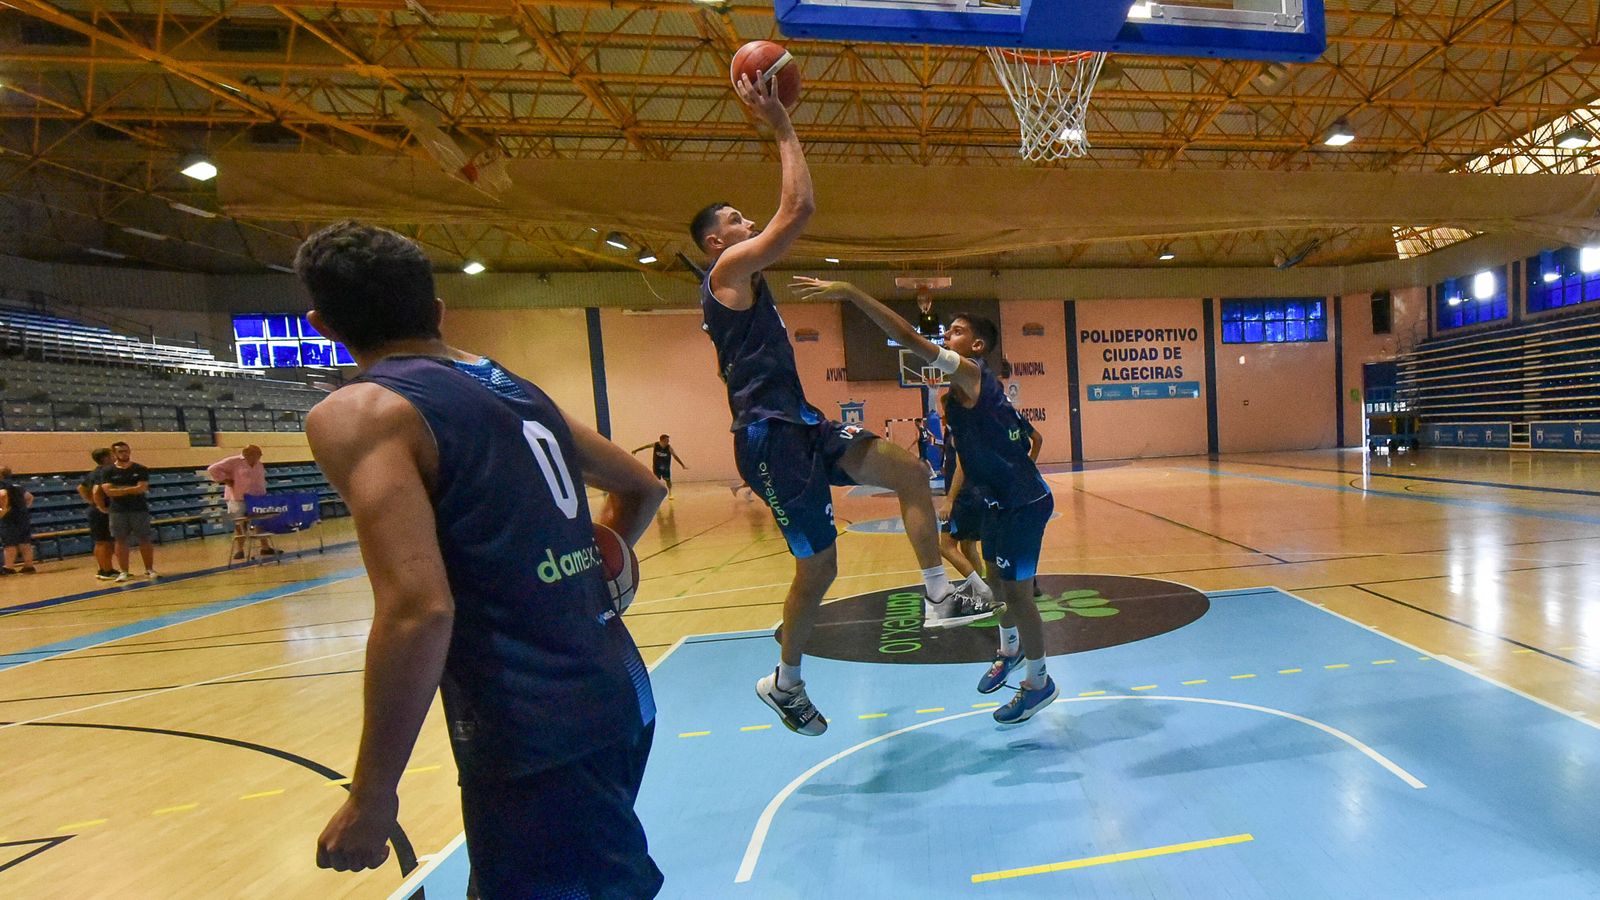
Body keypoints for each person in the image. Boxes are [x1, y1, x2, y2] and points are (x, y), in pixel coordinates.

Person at [296, 221, 665, 899]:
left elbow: (418, 609)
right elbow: (642, 487)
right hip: (618, 689)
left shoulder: (362, 411)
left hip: (533, 724)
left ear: (322, 325)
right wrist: (581, 574)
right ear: (437, 310)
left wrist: (373, 794)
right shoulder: (515, 388)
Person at [689, 71, 996, 737]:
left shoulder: (743, 281)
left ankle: (941, 597)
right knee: (820, 569)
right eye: (735, 220)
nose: (746, 222)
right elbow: (796, 212)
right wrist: (779, 125)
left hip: (802, 424)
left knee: (911, 472)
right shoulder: (726, 275)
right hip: (768, 439)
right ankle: (785, 681)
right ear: (716, 243)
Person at [793, 278, 1058, 725]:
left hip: (1023, 503)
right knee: (995, 583)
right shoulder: (949, 400)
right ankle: (1009, 651)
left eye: (954, 330)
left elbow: (912, 340)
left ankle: (1040, 681)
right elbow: (969, 460)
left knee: (1018, 594)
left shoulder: (973, 375)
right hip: (992, 501)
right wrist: (953, 499)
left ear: (975, 345)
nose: (945, 336)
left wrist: (852, 293)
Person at [98, 441, 158, 582]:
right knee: (120, 540)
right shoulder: (107, 471)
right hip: (118, 510)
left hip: (139, 509)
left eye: (126, 451)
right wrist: (130, 489)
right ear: (114, 454)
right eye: (120, 451)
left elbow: (141, 488)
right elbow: (108, 491)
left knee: (144, 538)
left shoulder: (140, 469)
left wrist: (120, 489)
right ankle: (124, 571)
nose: (124, 453)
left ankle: (149, 569)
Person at [207, 444, 277, 560]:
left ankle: (265, 547)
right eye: (257, 454)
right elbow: (212, 469)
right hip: (238, 498)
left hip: (257, 498)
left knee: (260, 522)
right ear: (248, 454)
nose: (260, 456)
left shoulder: (259, 464)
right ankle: (240, 550)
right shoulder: (234, 461)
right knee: (239, 525)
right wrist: (226, 480)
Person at [78, 448, 116, 580]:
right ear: (106, 458)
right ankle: (105, 570)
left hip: (97, 509)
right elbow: (95, 490)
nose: (115, 457)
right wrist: (100, 505)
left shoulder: (94, 472)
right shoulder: (104, 472)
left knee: (106, 541)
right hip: (101, 511)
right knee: (103, 541)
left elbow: (81, 487)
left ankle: (106, 568)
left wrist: (91, 502)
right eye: (112, 455)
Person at [0, 467, 36, 574]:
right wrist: (25, 508)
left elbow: (2, 494)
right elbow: (30, 497)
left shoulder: (2, 484)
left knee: (9, 543)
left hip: (9, 518)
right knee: (25, 542)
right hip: (23, 516)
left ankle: (9, 567)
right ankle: (29, 565)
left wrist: (3, 509)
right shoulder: (17, 486)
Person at [632, 435, 687, 499]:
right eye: (667, 440)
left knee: (668, 480)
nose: (668, 441)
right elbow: (645, 447)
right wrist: (636, 450)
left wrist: (682, 465)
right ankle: (655, 494)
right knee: (656, 481)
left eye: (668, 440)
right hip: (656, 467)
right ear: (662, 440)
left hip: (666, 468)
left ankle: (670, 493)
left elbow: (675, 456)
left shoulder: (669, 447)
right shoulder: (655, 445)